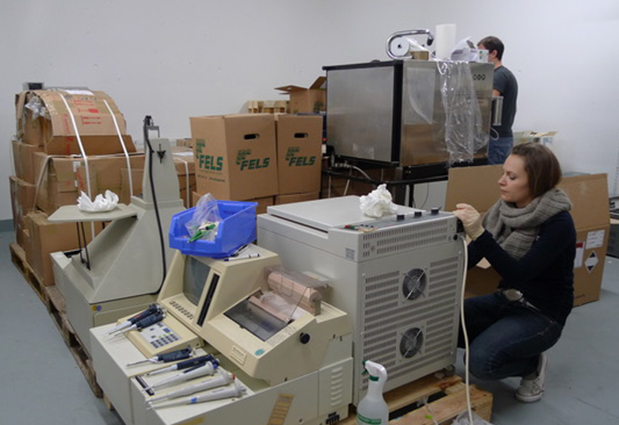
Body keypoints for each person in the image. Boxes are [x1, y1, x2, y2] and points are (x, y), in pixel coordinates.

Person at [453, 142, 576, 403]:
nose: (501, 182)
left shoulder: (558, 223)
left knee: (479, 362)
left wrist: (479, 233)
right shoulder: (505, 210)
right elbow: (473, 257)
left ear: (536, 181)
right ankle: (504, 340)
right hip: (508, 299)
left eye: (512, 177)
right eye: (503, 173)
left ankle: (532, 365)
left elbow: (519, 273)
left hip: (542, 313)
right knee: (442, 324)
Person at [478, 36, 518, 165]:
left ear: (494, 53)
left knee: (492, 180)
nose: (478, 57)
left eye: (481, 53)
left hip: (496, 139)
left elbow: (488, 102)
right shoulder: (504, 74)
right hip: (500, 138)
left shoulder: (499, 75)